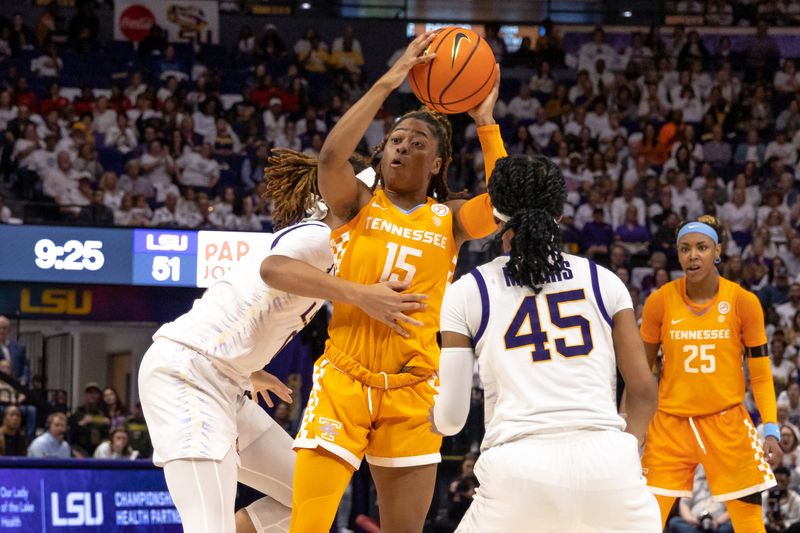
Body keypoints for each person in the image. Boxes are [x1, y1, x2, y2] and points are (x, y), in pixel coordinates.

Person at [138, 150, 427, 533]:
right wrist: (362, 294)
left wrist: (249, 368)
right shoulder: (318, 234)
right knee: (207, 526)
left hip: (226, 379)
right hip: (187, 373)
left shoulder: (337, 250)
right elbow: (272, 271)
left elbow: (246, 301)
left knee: (304, 501)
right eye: (372, 195)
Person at [286, 31, 504, 533]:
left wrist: (486, 123)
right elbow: (329, 158)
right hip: (344, 380)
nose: (402, 148)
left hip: (413, 392)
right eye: (395, 142)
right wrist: (390, 80)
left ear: (438, 164)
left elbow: (500, 205)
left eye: (417, 143)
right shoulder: (355, 204)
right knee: (308, 526)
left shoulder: (447, 220)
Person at [432, 154, 660, 531]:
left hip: (518, 468)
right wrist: (624, 453)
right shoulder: (605, 280)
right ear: (558, 215)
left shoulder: (468, 290)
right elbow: (643, 390)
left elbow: (453, 419)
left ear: (496, 213)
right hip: (609, 465)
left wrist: (434, 419)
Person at [640, 215, 783, 531]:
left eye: (701, 247)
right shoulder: (659, 301)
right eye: (685, 248)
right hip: (670, 425)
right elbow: (641, 373)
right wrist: (633, 427)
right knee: (644, 522)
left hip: (727, 421)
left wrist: (770, 427)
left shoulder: (744, 302)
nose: (693, 255)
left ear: (717, 251)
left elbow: (759, 375)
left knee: (749, 523)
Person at [0, 315, 28, 385]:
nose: (1, 331)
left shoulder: (19, 348)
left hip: (15, 387)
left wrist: (24, 380)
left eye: (4, 328)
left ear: (9, 330)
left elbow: (25, 367)